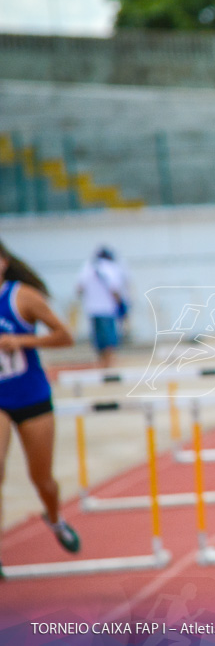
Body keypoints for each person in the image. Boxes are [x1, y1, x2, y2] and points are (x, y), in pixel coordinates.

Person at [0, 239, 80, 579]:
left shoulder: (22, 297)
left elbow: (65, 336)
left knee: (41, 478)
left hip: (31, 397)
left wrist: (22, 341)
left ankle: (54, 518)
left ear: (3, 263)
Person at [75, 245, 128, 368]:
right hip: (107, 308)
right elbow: (115, 289)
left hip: (92, 309)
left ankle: (102, 363)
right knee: (109, 338)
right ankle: (110, 364)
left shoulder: (87, 267)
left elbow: (79, 289)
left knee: (98, 339)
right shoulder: (110, 268)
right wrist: (122, 306)